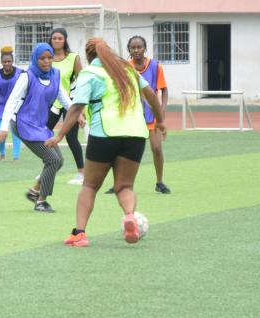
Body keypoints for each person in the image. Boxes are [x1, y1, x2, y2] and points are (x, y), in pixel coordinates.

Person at [50, 38, 166, 247]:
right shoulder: (128, 70)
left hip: (104, 133)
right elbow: (151, 95)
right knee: (124, 187)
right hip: (135, 134)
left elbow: (76, 107)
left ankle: (80, 233)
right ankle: (129, 216)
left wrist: (59, 136)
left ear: (89, 56)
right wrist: (161, 121)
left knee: (90, 185)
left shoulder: (89, 73)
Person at [0, 43, 71, 212]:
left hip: (39, 125)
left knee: (59, 161)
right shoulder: (27, 77)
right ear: (35, 59)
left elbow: (63, 98)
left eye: (49, 58)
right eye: (42, 58)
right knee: (52, 160)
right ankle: (41, 202)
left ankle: (34, 191)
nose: (46, 61)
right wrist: (3, 128)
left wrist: (78, 114)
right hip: (23, 124)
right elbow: (12, 100)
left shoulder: (55, 75)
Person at [128, 35, 171, 194]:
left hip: (152, 115)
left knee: (157, 149)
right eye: (133, 47)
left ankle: (159, 182)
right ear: (129, 50)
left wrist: (162, 110)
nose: (136, 50)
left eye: (139, 47)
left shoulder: (155, 66)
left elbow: (164, 90)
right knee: (126, 151)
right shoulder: (126, 67)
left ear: (145, 48)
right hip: (133, 116)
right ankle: (121, 183)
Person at [47, 27, 85, 185]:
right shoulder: (46, 57)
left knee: (71, 137)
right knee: (44, 133)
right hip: (51, 102)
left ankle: (82, 174)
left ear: (65, 40)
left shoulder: (73, 58)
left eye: (60, 38)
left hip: (70, 102)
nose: (56, 40)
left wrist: (80, 109)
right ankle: (51, 167)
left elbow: (82, 82)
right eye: (54, 38)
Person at [0, 45, 22, 161]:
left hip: (16, 107)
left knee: (15, 133)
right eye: (5, 62)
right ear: (1, 62)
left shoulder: (21, 73)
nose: (7, 63)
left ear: (12, 61)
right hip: (1, 107)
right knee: (0, 133)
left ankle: (16, 157)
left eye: (9, 61)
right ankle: (2, 154)